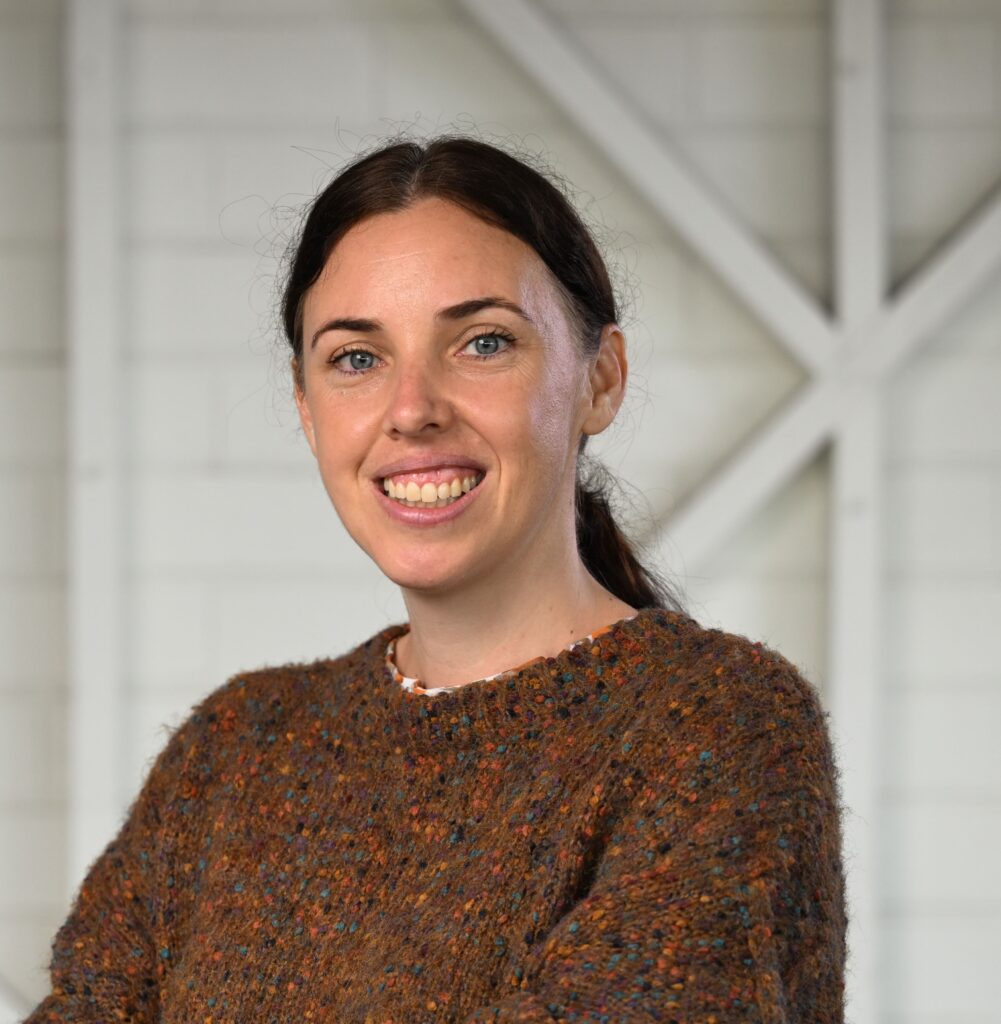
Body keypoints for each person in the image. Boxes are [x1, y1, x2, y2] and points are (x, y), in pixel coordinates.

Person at [24, 135, 847, 1023]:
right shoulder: (234, 748)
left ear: (599, 380)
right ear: (306, 410)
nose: (411, 409)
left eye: (482, 342)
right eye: (355, 359)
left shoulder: (716, 724)